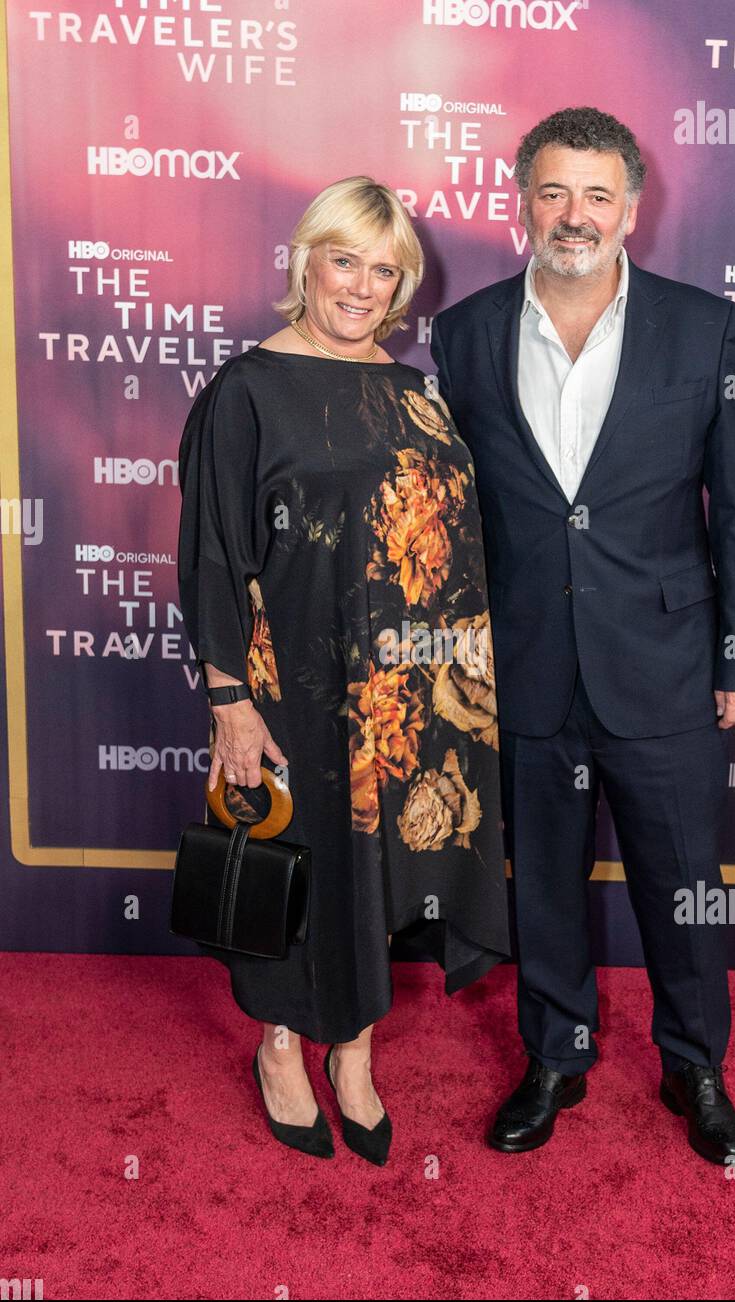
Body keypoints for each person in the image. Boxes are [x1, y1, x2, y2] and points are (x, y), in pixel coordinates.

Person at [430, 107, 735, 1164]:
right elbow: (453, 510)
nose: (571, 214)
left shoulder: (701, 327)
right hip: (524, 661)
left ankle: (693, 1065)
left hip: (664, 664)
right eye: (550, 191)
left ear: (630, 208)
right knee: (540, 880)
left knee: (680, 881)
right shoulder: (466, 331)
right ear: (520, 202)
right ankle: (555, 1056)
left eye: (593, 194)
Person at [177, 175, 510, 1166]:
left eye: (383, 268)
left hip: (409, 694)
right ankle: (282, 1046)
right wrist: (230, 702)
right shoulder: (245, 390)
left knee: (375, 874)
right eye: (343, 260)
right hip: (292, 691)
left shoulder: (413, 392)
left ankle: (352, 1051)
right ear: (305, 263)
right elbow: (209, 559)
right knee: (302, 867)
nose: (361, 286)